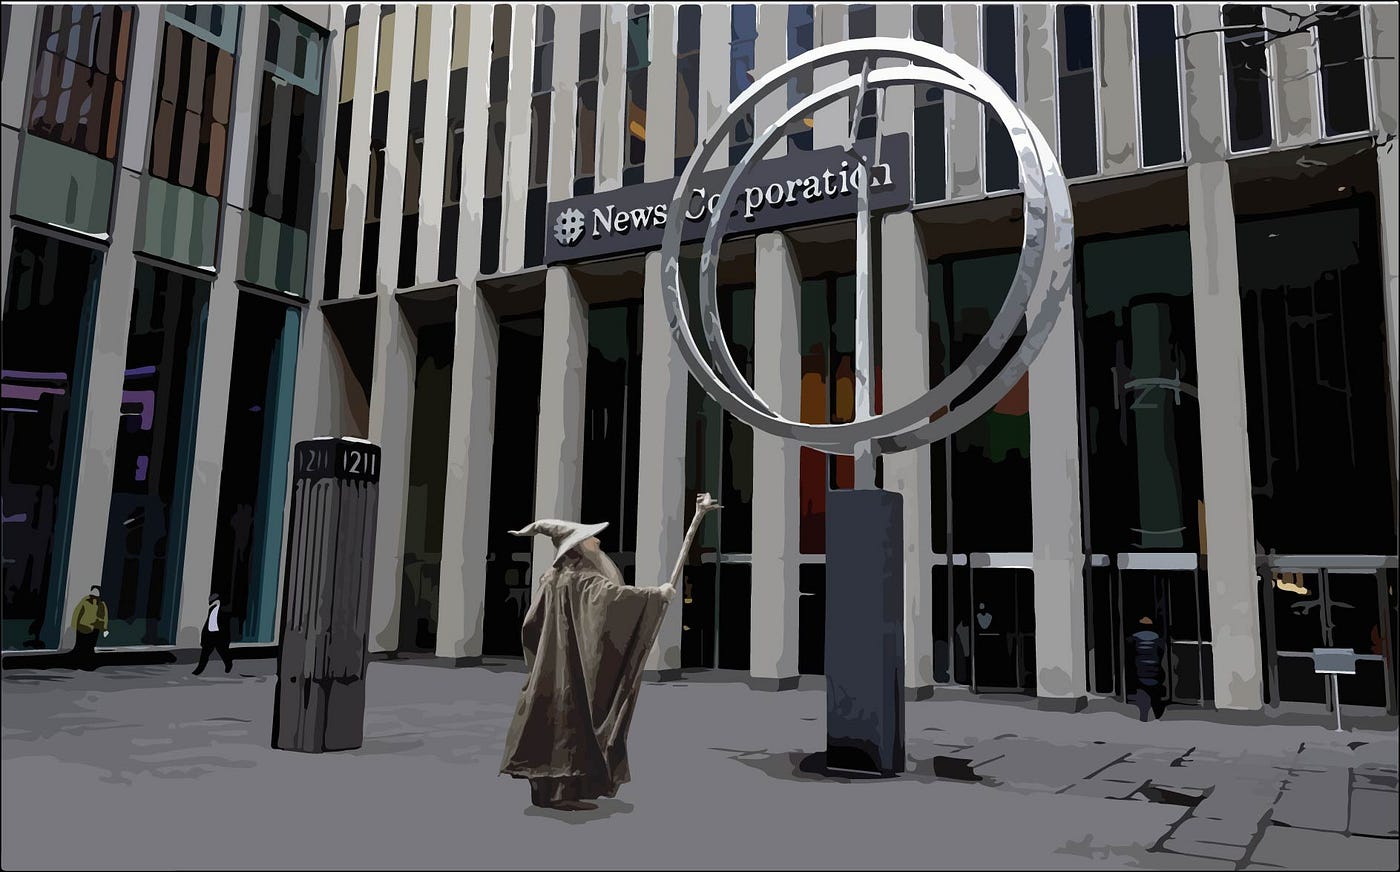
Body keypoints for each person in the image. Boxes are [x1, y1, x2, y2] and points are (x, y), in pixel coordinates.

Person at [501, 493, 720, 811]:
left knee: (549, 718)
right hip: (569, 669)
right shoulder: (585, 580)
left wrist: (542, 656)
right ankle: (561, 792)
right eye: (590, 539)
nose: (597, 542)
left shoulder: (551, 579)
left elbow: (531, 623)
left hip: (551, 667)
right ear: (578, 547)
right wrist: (655, 595)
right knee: (569, 721)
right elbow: (613, 602)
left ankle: (548, 790)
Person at [1130, 616, 1168, 722]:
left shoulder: (1133, 639)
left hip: (1139, 671)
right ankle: (1157, 714)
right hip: (1155, 671)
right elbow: (1162, 654)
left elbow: (1130, 656)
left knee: (1142, 694)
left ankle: (1144, 714)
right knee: (1154, 693)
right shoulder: (1158, 640)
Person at [193, 592, 234, 675]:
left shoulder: (224, 611)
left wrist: (227, 640)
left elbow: (226, 627)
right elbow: (207, 624)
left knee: (223, 652)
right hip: (210, 635)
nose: (210, 601)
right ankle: (199, 670)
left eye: (212, 600)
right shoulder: (211, 609)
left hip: (219, 636)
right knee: (205, 654)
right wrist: (203, 638)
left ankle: (228, 664)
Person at [70, 585, 109, 671]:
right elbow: (77, 612)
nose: (93, 597)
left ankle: (87, 664)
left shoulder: (102, 604)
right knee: (80, 646)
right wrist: (74, 625)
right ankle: (78, 663)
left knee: (89, 647)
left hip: (95, 628)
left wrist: (104, 629)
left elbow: (104, 617)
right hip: (82, 627)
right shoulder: (85, 601)